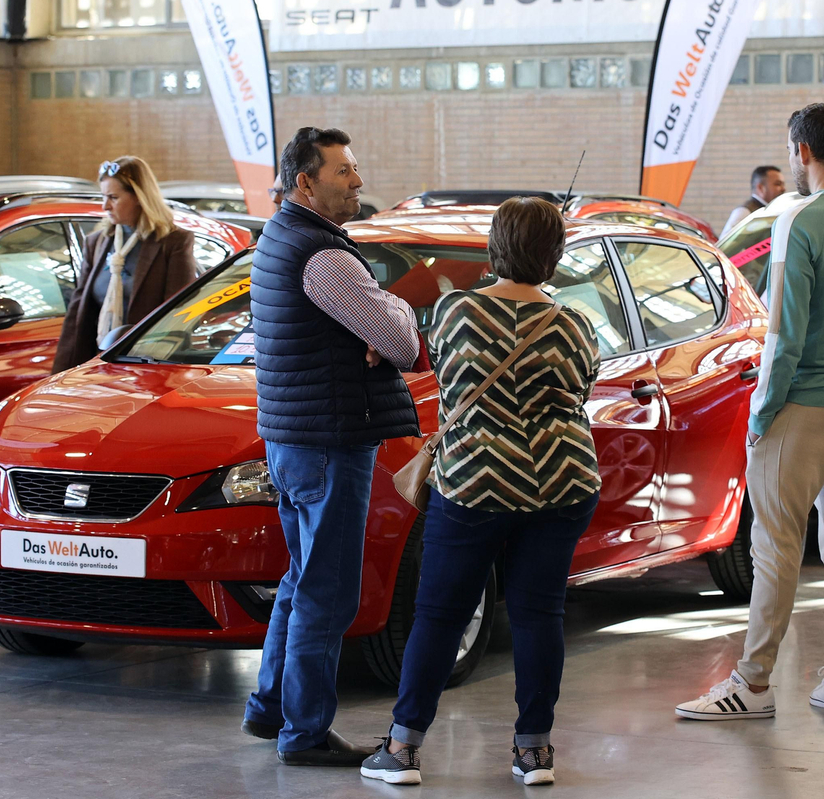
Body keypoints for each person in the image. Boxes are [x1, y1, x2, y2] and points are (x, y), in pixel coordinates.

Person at [359, 197, 601, 788]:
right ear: (554, 254)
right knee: (539, 614)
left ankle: (402, 749)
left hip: (473, 480)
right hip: (560, 480)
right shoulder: (575, 324)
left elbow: (438, 371)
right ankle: (534, 753)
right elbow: (582, 390)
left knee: (441, 614)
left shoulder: (455, 311)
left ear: (496, 247)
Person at [675, 103, 824, 721]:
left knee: (774, 546)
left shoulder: (799, 219)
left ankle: (752, 684)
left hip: (804, 404)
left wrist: (761, 413)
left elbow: (782, 334)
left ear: (802, 151)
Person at [242, 127, 423, 766]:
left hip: (295, 439)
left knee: (301, 579)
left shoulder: (279, 238)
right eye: (343, 170)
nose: (358, 181)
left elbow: (380, 328)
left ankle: (270, 708)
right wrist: (391, 316)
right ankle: (306, 733)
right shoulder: (322, 256)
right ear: (305, 181)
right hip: (329, 442)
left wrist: (380, 314)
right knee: (328, 590)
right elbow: (402, 344)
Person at [54, 156, 197, 372]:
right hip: (99, 362)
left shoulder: (173, 242)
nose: (105, 206)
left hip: (149, 363)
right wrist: (61, 372)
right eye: (103, 197)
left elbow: (178, 313)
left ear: (140, 197)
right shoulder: (97, 242)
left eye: (113, 197)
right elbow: (77, 314)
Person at [722, 165, 787, 238]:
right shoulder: (745, 211)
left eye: (783, 184)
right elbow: (726, 242)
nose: (783, 189)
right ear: (761, 188)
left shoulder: (773, 209)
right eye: (778, 184)